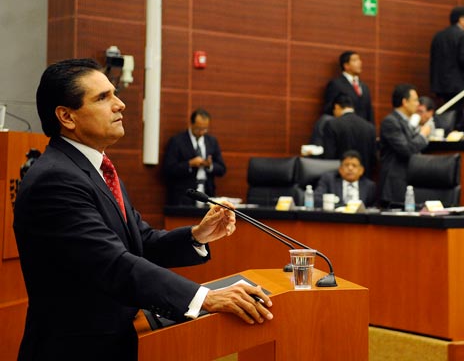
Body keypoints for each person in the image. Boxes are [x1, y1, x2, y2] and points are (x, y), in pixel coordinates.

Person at [13, 59, 272, 360]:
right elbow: (112, 264)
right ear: (67, 116)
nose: (120, 104)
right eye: (103, 97)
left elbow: (140, 243)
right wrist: (205, 298)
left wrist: (197, 235)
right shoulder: (56, 179)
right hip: (75, 349)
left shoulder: (95, 168)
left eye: (115, 94)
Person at [379, 84, 431, 208]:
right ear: (405, 102)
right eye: (415, 100)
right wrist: (422, 136)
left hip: (408, 180)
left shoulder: (405, 122)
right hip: (395, 183)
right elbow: (406, 149)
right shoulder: (390, 121)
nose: (418, 104)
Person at [162, 108, 227, 206]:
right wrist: (189, 164)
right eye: (198, 129)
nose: (201, 132)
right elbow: (168, 169)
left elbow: (222, 169)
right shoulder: (177, 141)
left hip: (207, 194)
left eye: (205, 129)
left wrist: (209, 166)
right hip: (183, 197)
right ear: (191, 124)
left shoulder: (211, 141)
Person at [322, 93, 376, 174]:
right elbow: (373, 158)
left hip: (340, 175)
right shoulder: (370, 127)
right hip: (364, 176)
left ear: (336, 107)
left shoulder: (332, 124)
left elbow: (329, 156)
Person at [323, 50, 374, 124]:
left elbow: (369, 112)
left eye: (359, 60)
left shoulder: (364, 87)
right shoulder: (336, 84)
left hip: (362, 128)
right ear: (346, 65)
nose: (360, 62)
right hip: (343, 126)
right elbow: (329, 109)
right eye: (355, 60)